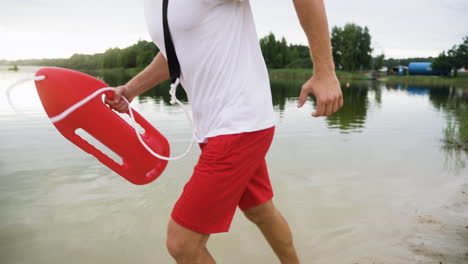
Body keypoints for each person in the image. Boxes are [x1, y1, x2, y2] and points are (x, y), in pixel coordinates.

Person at [105, 0, 343, 263]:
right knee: (259, 210)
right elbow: (176, 51)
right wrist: (131, 90)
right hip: (213, 127)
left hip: (240, 123)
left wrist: (325, 71)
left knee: (181, 243)